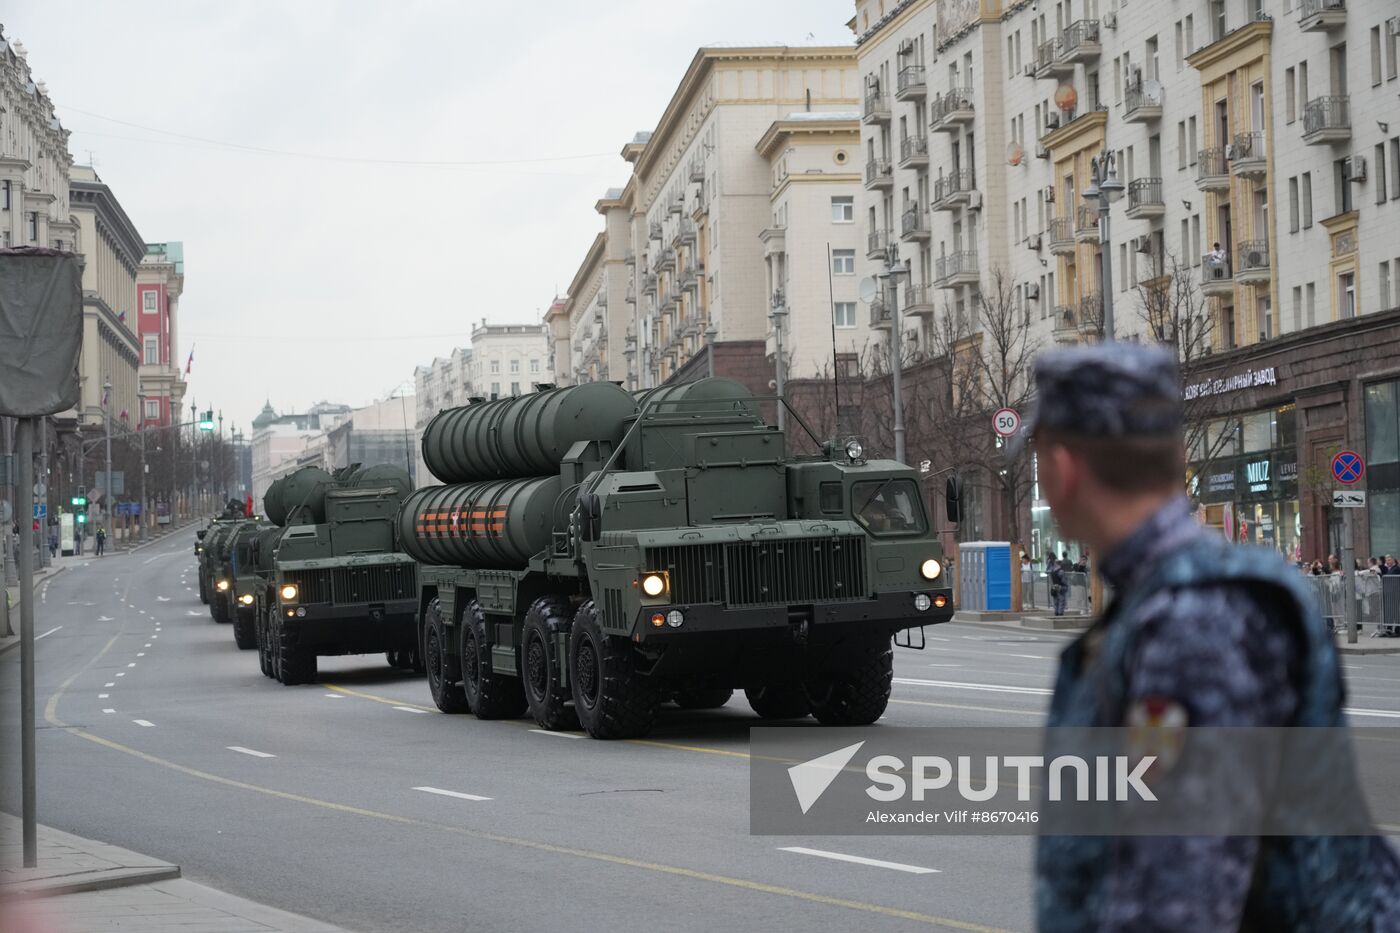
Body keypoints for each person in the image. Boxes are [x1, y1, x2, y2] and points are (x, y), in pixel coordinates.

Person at [1015, 342, 1400, 930]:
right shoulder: (1170, 600)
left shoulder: (1196, 620)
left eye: (1038, 458)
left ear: (1062, 466)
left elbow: (1178, 896)